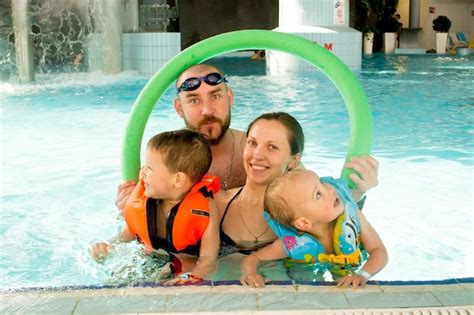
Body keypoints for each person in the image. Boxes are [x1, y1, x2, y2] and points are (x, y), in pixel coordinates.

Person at [217, 112, 379, 256]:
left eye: (272, 147)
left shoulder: (313, 212)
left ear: (293, 161)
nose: (257, 155)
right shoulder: (218, 205)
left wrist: (356, 195)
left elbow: (356, 251)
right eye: (252, 143)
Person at [90, 130, 221, 284]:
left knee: (171, 270)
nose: (142, 172)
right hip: (148, 256)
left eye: (149, 168)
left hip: (184, 262)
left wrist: (192, 279)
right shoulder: (146, 201)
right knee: (117, 279)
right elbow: (126, 236)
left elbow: (208, 259)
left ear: (178, 179)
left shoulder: (206, 210)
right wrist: (107, 244)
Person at [115, 64, 247, 211]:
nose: (207, 110)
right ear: (179, 108)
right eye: (194, 100)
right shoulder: (161, 160)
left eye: (215, 96)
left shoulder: (255, 151)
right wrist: (126, 208)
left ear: (229, 98)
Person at [240, 169, 388, 288]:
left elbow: (379, 251)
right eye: (318, 194)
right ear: (304, 223)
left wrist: (362, 275)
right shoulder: (292, 245)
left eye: (321, 183)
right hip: (307, 272)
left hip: (350, 268)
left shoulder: (354, 217)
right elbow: (252, 258)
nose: (330, 189)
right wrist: (251, 274)